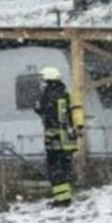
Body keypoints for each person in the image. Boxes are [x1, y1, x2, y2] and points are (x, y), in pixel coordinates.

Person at [34, 67, 78, 207]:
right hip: (68, 140)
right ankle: (66, 197)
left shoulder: (49, 96)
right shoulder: (64, 94)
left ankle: (62, 200)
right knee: (65, 169)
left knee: (55, 170)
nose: (41, 84)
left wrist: (39, 109)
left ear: (48, 81)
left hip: (55, 140)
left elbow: (50, 117)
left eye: (43, 80)